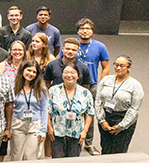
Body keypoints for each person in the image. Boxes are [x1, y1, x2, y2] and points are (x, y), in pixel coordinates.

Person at [74, 17, 109, 155]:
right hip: (72, 85)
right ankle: (72, 140)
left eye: (88, 28)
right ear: (78, 31)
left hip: (92, 85)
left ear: (92, 31)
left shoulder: (100, 46)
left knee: (89, 114)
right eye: (82, 28)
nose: (85, 31)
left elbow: (105, 67)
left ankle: (88, 144)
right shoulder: (72, 44)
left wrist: (102, 84)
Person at [95, 55, 143, 155]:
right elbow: (98, 100)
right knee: (105, 147)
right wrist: (101, 120)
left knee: (119, 151)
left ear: (129, 67)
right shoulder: (106, 80)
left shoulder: (135, 85)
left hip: (123, 119)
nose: (118, 68)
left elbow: (134, 109)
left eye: (122, 66)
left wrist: (121, 126)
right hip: (106, 117)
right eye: (116, 65)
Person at [47, 63, 94, 158]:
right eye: (66, 72)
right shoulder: (53, 90)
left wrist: (85, 131)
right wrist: (49, 128)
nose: (69, 75)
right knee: (57, 159)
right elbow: (48, 111)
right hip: (57, 133)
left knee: (73, 159)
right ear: (62, 74)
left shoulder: (85, 93)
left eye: (72, 73)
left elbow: (90, 113)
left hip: (76, 133)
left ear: (77, 76)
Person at [9, 60, 48, 161]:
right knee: (16, 155)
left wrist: (43, 131)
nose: (31, 74)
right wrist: (8, 128)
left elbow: (44, 109)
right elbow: (9, 108)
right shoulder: (13, 86)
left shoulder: (41, 89)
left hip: (34, 125)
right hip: (17, 124)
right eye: (29, 70)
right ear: (22, 70)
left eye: (34, 72)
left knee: (30, 156)